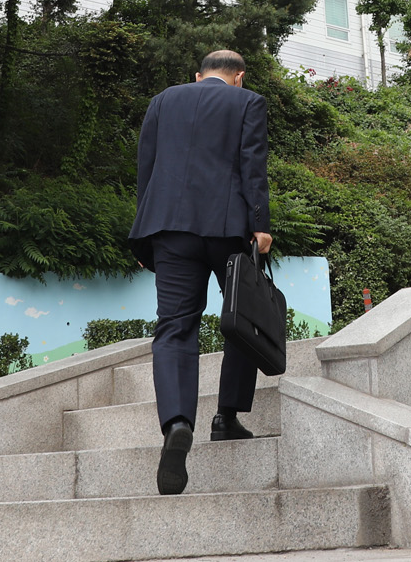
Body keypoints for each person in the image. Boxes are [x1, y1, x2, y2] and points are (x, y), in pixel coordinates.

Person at [128, 48, 272, 496]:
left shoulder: (163, 101)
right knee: (243, 320)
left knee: (174, 327)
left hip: (168, 228)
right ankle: (226, 418)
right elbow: (253, 167)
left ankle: (176, 422)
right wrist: (260, 225)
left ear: (197, 75)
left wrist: (143, 231)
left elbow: (146, 169)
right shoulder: (247, 102)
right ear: (239, 77)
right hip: (228, 228)